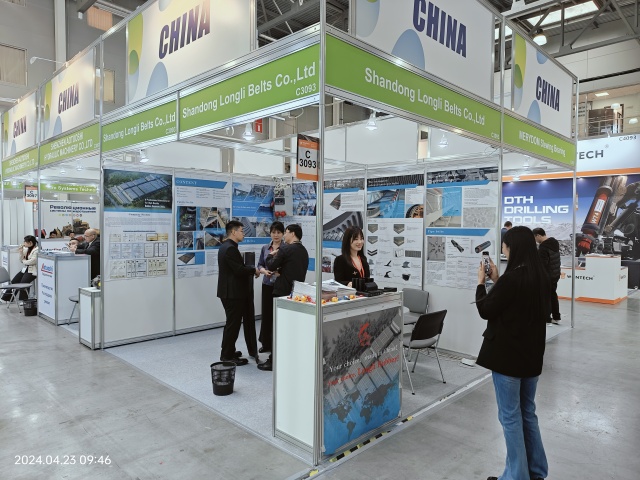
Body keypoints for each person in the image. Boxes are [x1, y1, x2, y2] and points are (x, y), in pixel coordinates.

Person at [475, 226, 550, 480]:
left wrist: (481, 283)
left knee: (509, 416)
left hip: (507, 359)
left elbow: (486, 310)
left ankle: (517, 476)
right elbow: (516, 303)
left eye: (505, 246)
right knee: (527, 412)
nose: (503, 250)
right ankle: (536, 471)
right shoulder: (540, 276)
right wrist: (497, 280)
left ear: (512, 247)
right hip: (531, 358)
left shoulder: (512, 279)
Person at [259, 224, 309, 371]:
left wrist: (271, 254)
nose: (283, 235)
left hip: (282, 292)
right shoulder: (304, 251)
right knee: (289, 328)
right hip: (296, 293)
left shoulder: (285, 249)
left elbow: (270, 265)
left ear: (292, 234)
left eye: (285, 232)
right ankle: (288, 357)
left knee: (278, 328)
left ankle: (274, 360)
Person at [217, 220, 260, 366]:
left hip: (228, 292)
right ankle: (227, 356)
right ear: (233, 232)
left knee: (231, 323)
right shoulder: (230, 249)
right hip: (232, 293)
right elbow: (239, 270)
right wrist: (254, 270)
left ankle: (228, 350)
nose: (243, 233)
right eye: (241, 231)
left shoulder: (225, 246)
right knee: (233, 325)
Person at [256, 221, 285, 353]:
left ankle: (277, 344)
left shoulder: (286, 248)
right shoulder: (265, 248)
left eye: (279, 232)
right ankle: (266, 343)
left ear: (283, 234)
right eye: (273, 232)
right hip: (267, 284)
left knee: (278, 315)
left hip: (280, 285)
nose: (276, 235)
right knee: (266, 314)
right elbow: (260, 264)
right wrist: (263, 271)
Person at [532, 227, 562, 325]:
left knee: (546, 297)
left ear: (538, 235)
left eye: (535, 238)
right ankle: (556, 317)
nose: (535, 240)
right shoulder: (554, 242)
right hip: (555, 274)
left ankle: (547, 318)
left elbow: (542, 265)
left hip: (547, 276)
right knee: (552, 295)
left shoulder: (543, 248)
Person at [2, 235, 39, 302]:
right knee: (14, 281)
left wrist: (24, 261)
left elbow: (31, 262)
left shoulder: (37, 250)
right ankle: (7, 298)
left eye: (25, 242)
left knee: (23, 283)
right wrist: (21, 252)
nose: (24, 243)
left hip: (33, 270)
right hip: (25, 268)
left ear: (30, 243)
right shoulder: (26, 249)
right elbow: (21, 260)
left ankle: (24, 300)